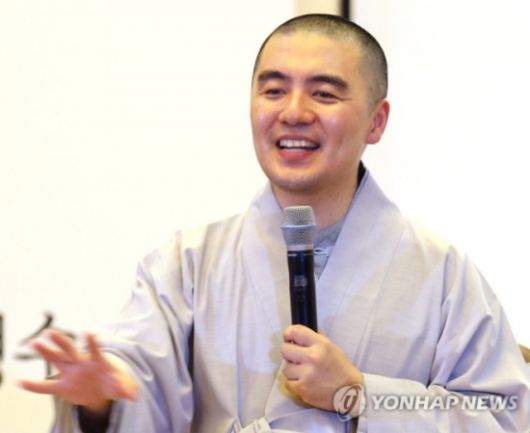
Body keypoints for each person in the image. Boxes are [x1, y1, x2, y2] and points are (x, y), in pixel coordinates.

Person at [20, 14, 530, 433]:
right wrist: (100, 402)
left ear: (377, 121)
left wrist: (360, 394)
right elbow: (135, 378)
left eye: (324, 94)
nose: (293, 112)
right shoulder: (189, 263)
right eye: (273, 90)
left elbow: (505, 417)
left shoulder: (441, 272)